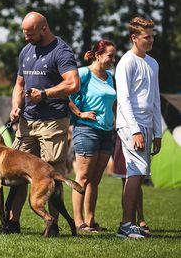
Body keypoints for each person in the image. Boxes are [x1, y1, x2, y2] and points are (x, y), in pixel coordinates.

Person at [8, 12, 80, 235]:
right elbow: (19, 84)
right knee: (17, 172)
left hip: (52, 122)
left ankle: (53, 226)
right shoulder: (26, 51)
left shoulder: (61, 51)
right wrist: (15, 107)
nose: (25, 37)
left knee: (51, 173)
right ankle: (12, 222)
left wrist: (46, 94)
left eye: (29, 33)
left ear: (44, 29)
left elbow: (73, 83)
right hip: (27, 121)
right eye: (24, 32)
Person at [115, 17, 161, 239]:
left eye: (153, 36)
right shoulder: (126, 62)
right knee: (135, 172)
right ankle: (126, 225)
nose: (151, 40)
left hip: (147, 124)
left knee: (139, 173)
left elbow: (155, 100)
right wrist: (135, 130)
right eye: (147, 37)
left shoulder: (153, 63)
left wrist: (158, 132)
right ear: (134, 38)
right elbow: (123, 99)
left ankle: (131, 223)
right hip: (130, 124)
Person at [68, 40, 117, 232]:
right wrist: (80, 113)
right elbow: (66, 95)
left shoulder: (110, 77)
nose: (112, 60)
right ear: (98, 55)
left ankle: (90, 220)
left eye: (114, 56)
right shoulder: (83, 73)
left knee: (95, 179)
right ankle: (78, 222)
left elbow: (111, 101)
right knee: (83, 177)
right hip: (86, 130)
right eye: (110, 56)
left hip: (106, 132)